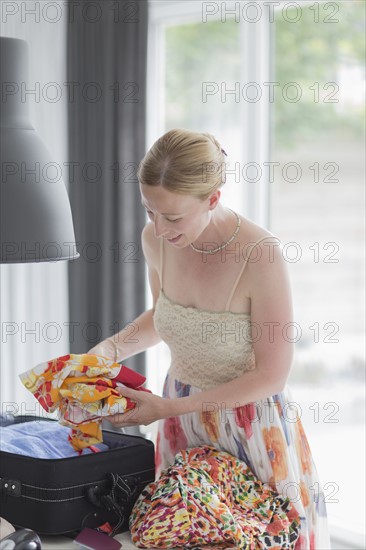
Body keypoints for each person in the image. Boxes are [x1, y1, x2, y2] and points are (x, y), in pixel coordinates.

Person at [88, 128, 331, 548]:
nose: (159, 229)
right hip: (183, 426)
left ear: (213, 198)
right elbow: (166, 316)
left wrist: (166, 407)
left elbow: (271, 375)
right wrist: (111, 348)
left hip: (250, 427)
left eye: (174, 217)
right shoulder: (156, 241)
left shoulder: (260, 254)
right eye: (150, 212)